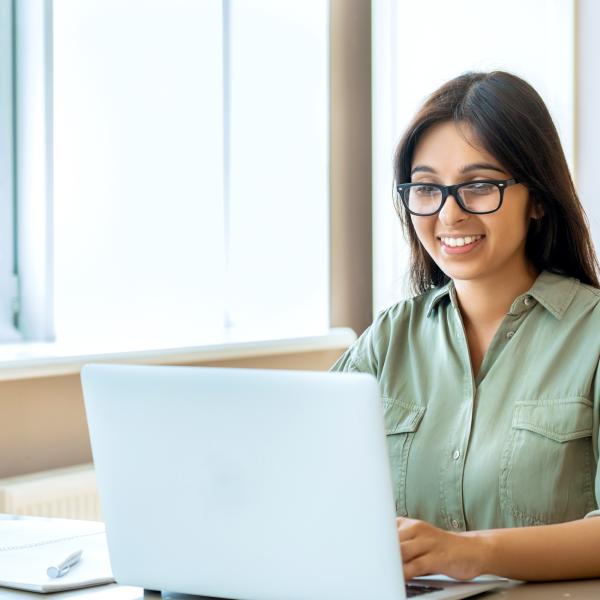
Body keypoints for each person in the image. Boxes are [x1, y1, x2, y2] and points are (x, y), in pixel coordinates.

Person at [331, 71, 600, 581]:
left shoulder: (593, 336)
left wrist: (471, 553)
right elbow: (301, 482)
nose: (449, 214)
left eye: (478, 185)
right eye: (427, 189)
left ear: (538, 199)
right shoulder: (388, 340)